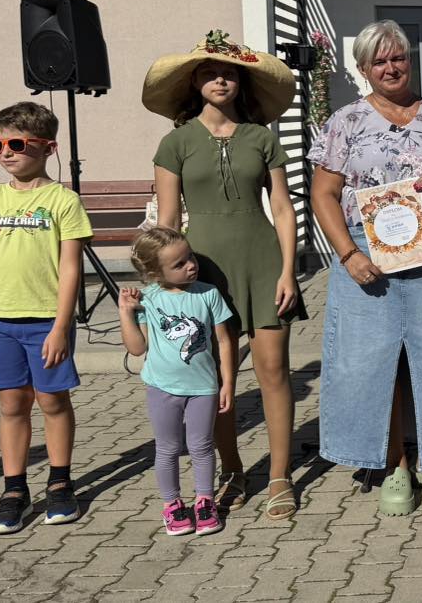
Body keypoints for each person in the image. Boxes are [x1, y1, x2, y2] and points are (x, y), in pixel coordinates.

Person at [309, 19, 422, 516]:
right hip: (365, 253)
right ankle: (393, 462)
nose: (391, 67)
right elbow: (323, 194)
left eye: (397, 57)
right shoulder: (346, 121)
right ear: (363, 69)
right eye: (379, 61)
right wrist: (348, 254)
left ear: (409, 60)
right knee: (372, 363)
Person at [144, 30, 305, 521]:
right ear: (195, 83)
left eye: (229, 73)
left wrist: (289, 271)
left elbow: (282, 208)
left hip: (263, 263)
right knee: (213, 377)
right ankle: (232, 470)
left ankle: (279, 476)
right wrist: (166, 285)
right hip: (202, 270)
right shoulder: (175, 143)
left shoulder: (262, 138)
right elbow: (168, 220)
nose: (220, 80)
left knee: (273, 372)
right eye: (210, 73)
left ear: (240, 82)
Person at [0, 102, 91, 534]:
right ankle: (14, 490)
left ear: (48, 148)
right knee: (12, 403)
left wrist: (61, 327)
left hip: (46, 320)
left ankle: (60, 483)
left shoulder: (63, 200)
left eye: (16, 143)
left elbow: (71, 267)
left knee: (52, 401)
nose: (6, 153)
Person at [117, 226, 236, 536]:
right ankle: (172, 505)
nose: (191, 265)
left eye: (190, 257)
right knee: (168, 448)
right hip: (161, 387)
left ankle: (205, 502)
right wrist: (126, 313)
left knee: (202, 446)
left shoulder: (208, 294)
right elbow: (137, 348)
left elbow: (224, 342)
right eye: (179, 264)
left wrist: (227, 383)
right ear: (155, 272)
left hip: (203, 387)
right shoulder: (149, 299)